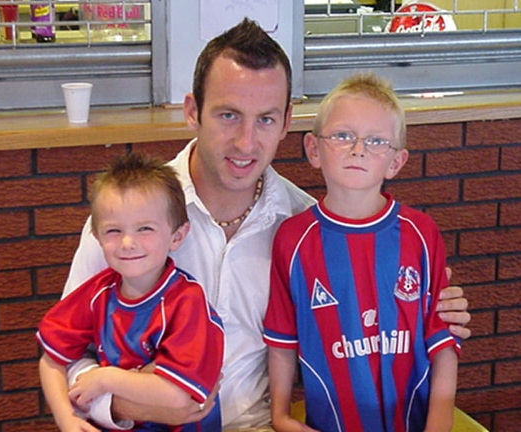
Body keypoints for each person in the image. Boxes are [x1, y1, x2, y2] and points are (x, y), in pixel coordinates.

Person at [61, 18, 471, 431]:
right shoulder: (130, 218)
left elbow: (370, 320)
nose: (246, 142)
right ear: (192, 111)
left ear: (288, 121)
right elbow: (66, 353)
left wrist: (432, 305)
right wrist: (127, 407)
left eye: (266, 120)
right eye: (228, 115)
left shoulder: (306, 227)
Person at [263, 73, 460, 432]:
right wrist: (280, 416)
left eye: (376, 141)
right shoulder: (293, 240)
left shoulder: (420, 233)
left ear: (396, 162)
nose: (358, 149)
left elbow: (442, 341)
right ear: (313, 149)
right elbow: (282, 338)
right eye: (342, 135)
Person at [37, 153, 224, 432]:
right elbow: (51, 359)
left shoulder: (187, 301)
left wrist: (106, 379)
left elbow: (176, 395)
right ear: (96, 236)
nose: (127, 242)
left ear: (177, 235)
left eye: (144, 228)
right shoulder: (96, 294)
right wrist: (66, 418)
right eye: (113, 230)